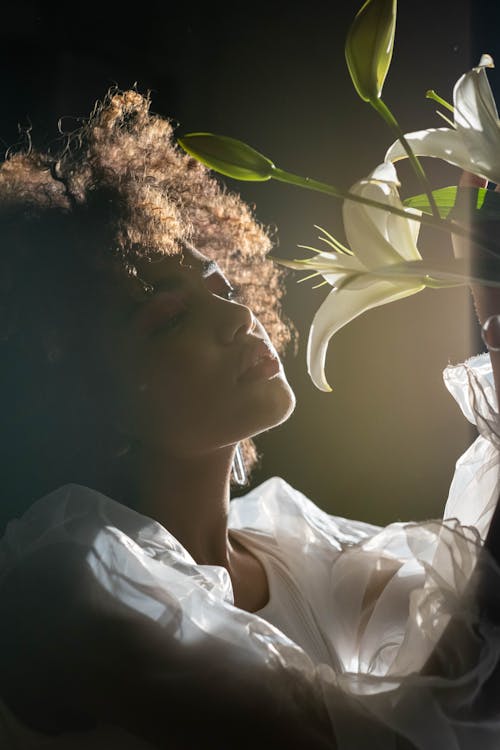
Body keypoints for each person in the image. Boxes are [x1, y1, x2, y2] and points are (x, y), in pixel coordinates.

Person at [0, 89, 500, 750]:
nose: (240, 319)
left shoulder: (300, 550)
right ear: (85, 397)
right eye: (171, 320)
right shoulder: (71, 584)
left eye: (226, 289)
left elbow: (470, 657)